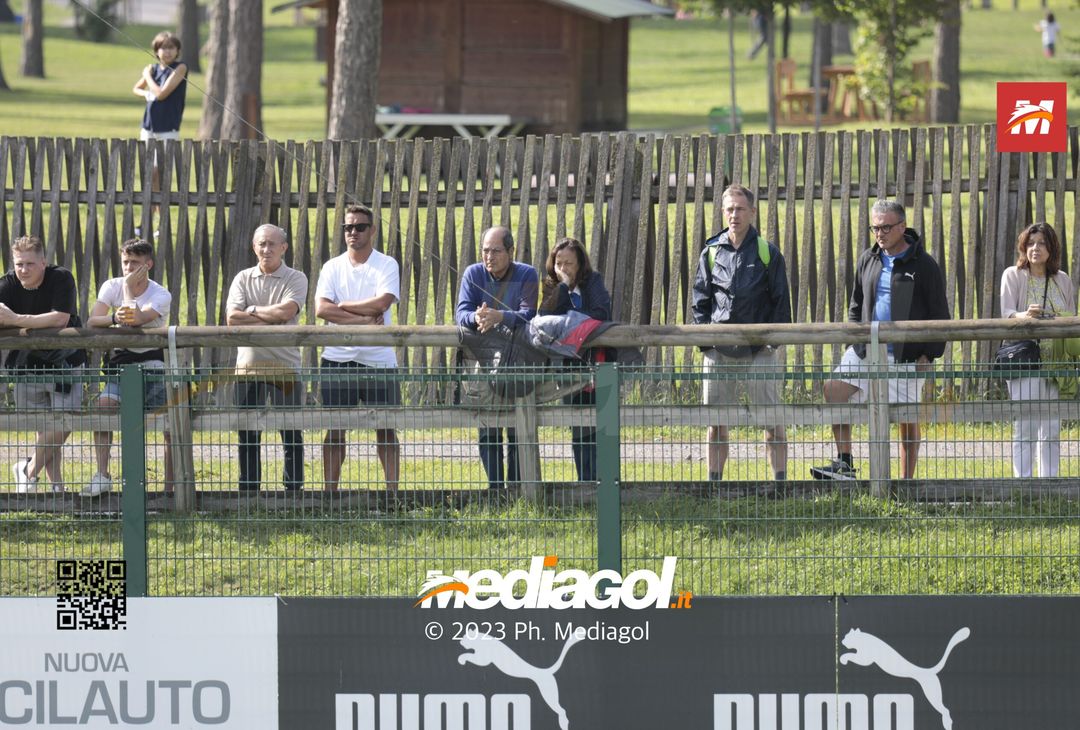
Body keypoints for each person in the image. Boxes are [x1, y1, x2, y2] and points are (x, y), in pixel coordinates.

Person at [811, 200, 950, 481]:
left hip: (907, 355)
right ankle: (845, 463)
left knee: (906, 419)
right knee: (833, 390)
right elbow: (856, 302)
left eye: (886, 227)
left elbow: (940, 315)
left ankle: (905, 482)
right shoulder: (868, 259)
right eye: (875, 227)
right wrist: (855, 339)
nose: (880, 233)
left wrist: (929, 355)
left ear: (902, 226)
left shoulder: (925, 265)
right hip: (866, 349)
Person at [691, 184, 791, 486]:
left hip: (759, 352)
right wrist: (707, 345)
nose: (734, 214)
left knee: (772, 421)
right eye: (729, 209)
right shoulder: (710, 252)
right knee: (716, 424)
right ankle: (714, 484)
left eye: (740, 208)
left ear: (752, 212)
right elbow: (700, 301)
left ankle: (780, 484)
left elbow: (781, 302)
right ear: (723, 212)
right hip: (719, 353)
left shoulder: (767, 253)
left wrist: (770, 345)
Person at [316, 204, 401, 492]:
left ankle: (392, 494)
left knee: (387, 429)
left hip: (379, 359)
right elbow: (321, 309)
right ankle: (329, 494)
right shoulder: (332, 266)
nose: (353, 232)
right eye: (348, 227)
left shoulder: (386, 264)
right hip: (337, 358)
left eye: (360, 227)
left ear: (372, 230)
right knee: (335, 430)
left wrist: (344, 306)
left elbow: (382, 302)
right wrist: (364, 320)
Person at [0, 235, 88, 493]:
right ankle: (56, 486)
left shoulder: (61, 277)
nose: (23, 270)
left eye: (29, 264)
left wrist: (16, 319)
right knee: (44, 428)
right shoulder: (6, 285)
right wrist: (29, 322)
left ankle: (27, 470)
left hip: (66, 362)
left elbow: (60, 319)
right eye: (19, 264)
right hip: (29, 364)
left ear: (43, 262)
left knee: (65, 422)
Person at [86, 239, 173, 496]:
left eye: (134, 263)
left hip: (154, 366)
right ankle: (102, 474)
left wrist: (126, 289)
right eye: (125, 262)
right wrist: (113, 316)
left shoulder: (160, 294)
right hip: (121, 365)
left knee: (170, 423)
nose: (128, 267)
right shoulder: (110, 285)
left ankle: (171, 486)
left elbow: (134, 320)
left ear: (148, 265)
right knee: (103, 408)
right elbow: (93, 320)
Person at [226, 224, 309, 492]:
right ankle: (249, 492)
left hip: (285, 368)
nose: (266, 249)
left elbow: (286, 312)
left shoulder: (296, 278)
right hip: (247, 370)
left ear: (284, 248)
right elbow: (231, 318)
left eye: (273, 244)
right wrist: (267, 316)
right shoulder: (242, 278)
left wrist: (250, 311)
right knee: (247, 434)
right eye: (261, 244)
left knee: (291, 433)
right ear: (254, 247)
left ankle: (293, 492)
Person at [455, 226, 539, 489]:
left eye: (495, 251)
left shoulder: (527, 274)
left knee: (518, 426)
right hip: (484, 361)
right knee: (488, 426)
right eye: (485, 250)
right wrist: (477, 317)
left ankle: (515, 488)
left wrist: (501, 316)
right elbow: (461, 313)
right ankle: (494, 489)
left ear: (510, 251)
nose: (488, 256)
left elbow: (531, 314)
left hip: (518, 360)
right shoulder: (473, 273)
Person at [999, 222, 1074, 478]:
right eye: (1030, 243)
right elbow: (1007, 313)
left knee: (1052, 426)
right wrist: (1025, 315)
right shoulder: (1013, 275)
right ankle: (1024, 483)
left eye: (1041, 243)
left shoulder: (1062, 280)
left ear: (1051, 248)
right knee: (1026, 424)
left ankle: (1049, 482)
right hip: (1025, 360)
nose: (1035, 248)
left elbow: (1072, 317)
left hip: (1056, 362)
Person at [539, 237, 612, 482]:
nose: (563, 269)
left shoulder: (593, 282)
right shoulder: (551, 286)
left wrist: (569, 320)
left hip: (599, 364)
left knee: (603, 426)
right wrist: (563, 286)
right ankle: (586, 482)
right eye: (559, 263)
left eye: (569, 263)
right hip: (569, 368)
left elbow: (601, 313)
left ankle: (608, 482)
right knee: (580, 428)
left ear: (580, 264)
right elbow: (545, 317)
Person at [133, 31, 188, 143]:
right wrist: (147, 94)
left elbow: (161, 95)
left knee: (166, 161)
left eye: (171, 48)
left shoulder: (180, 67)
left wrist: (147, 75)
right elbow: (136, 89)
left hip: (168, 127)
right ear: (157, 51)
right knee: (147, 160)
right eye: (163, 48)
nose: (167, 51)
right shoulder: (154, 69)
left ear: (177, 50)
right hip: (148, 126)